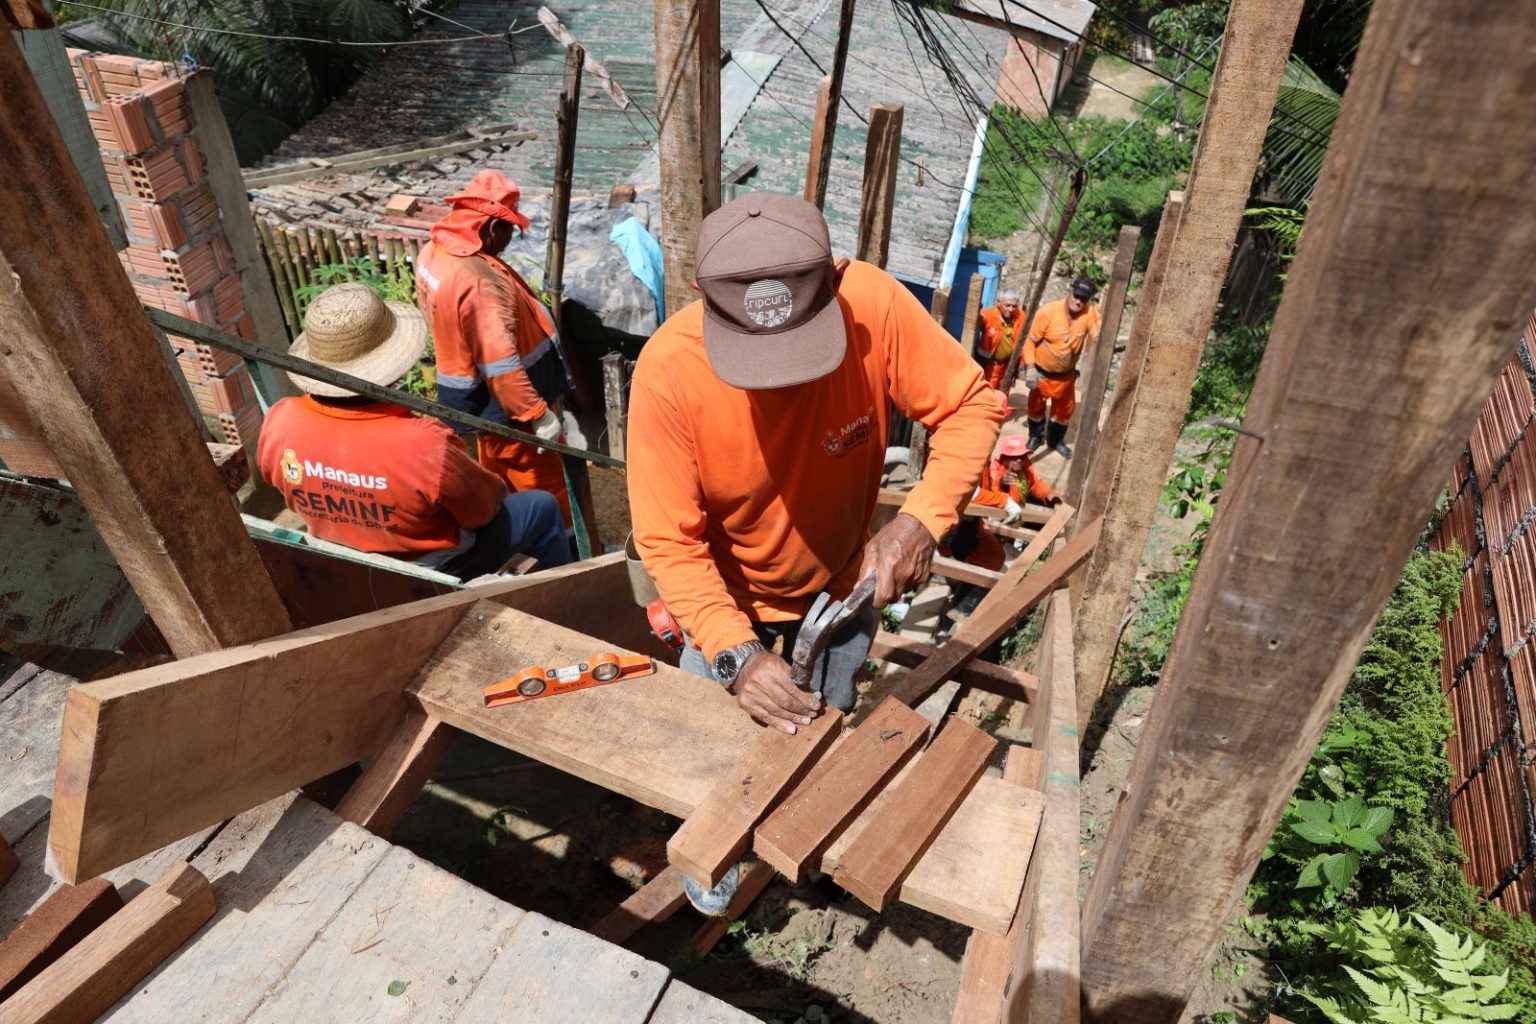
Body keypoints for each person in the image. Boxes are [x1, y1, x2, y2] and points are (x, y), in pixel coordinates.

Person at [257, 283, 571, 580]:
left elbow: (280, 484)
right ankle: (563, 593)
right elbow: (482, 512)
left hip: (339, 554)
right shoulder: (425, 442)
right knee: (542, 506)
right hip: (428, 567)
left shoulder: (280, 419)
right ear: (391, 366)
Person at [415, 169, 579, 527]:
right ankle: (572, 551)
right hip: (510, 409)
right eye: (509, 230)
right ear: (491, 228)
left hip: (472, 402)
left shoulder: (433, 252)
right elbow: (501, 366)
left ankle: (515, 538)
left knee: (497, 478)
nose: (510, 239)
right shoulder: (478, 283)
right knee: (549, 488)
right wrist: (538, 416)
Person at [1022, 275, 1101, 458]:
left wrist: (1106, 340)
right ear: (1069, 292)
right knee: (1036, 407)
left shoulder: (1090, 313)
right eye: (1076, 296)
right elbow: (1030, 342)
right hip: (1042, 373)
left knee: (1064, 411)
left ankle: (1055, 440)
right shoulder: (1048, 312)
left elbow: (1098, 336)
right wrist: (1031, 368)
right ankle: (1035, 436)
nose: (1078, 301)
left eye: (1083, 298)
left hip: (1065, 376)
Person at [976, 289, 1025, 390]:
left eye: (1014, 306)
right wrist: (976, 312)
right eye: (1007, 305)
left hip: (1008, 366)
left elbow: (1025, 340)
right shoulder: (988, 315)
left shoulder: (1021, 317)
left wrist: (1022, 363)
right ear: (999, 303)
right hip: (990, 366)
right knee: (989, 393)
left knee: (1003, 394)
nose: (1011, 309)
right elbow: (979, 320)